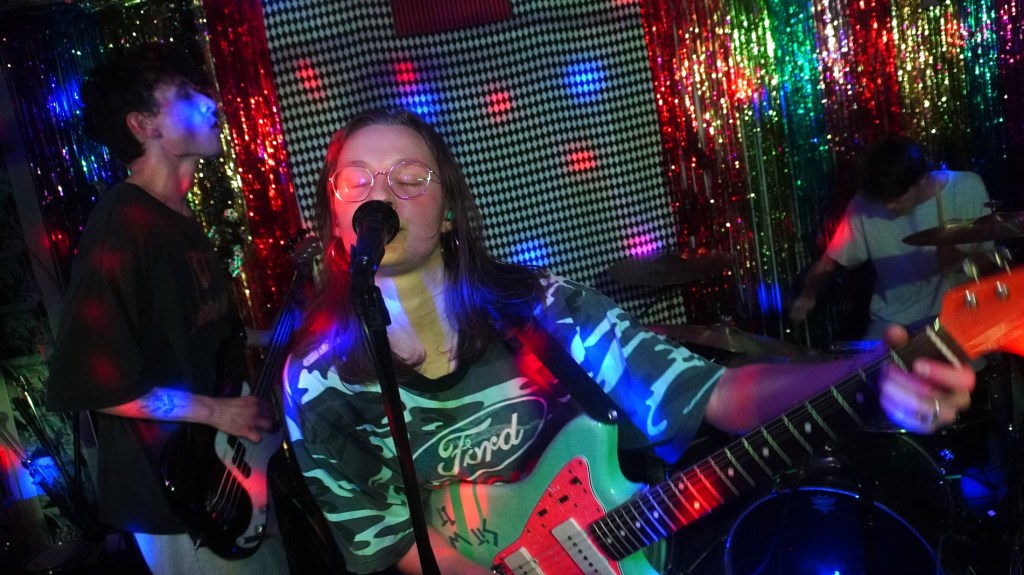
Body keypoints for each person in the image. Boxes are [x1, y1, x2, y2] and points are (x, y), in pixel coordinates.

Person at [281, 109, 977, 574]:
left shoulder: (542, 308)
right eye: (357, 180)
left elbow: (716, 393)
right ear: (333, 215)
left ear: (449, 208)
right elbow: (386, 532)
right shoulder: (316, 380)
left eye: (410, 177)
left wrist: (868, 375)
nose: (382, 195)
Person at [44, 42, 289, 575]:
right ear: (143, 124)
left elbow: (196, 334)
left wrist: (274, 335)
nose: (210, 103)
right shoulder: (123, 227)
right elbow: (89, 381)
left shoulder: (177, 219)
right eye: (184, 94)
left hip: (225, 472)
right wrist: (216, 411)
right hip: (176, 493)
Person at [790, 135, 992, 340]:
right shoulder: (864, 203)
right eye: (882, 200)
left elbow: (992, 260)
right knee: (870, 360)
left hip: (959, 313)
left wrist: (960, 261)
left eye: (897, 199)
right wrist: (807, 296)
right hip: (892, 319)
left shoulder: (966, 187)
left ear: (921, 179)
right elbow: (829, 262)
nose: (888, 206)